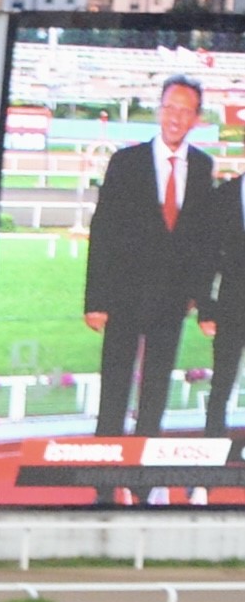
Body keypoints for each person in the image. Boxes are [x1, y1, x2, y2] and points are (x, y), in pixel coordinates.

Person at [88, 73, 216, 438]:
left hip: (172, 300)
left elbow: (203, 241)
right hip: (124, 295)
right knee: (114, 390)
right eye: (170, 108)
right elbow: (103, 233)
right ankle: (104, 466)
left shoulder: (202, 167)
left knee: (156, 391)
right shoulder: (126, 162)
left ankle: (144, 460)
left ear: (196, 118)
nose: (176, 117)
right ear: (159, 110)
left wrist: (202, 301)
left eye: (185, 111)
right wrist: (95, 302)